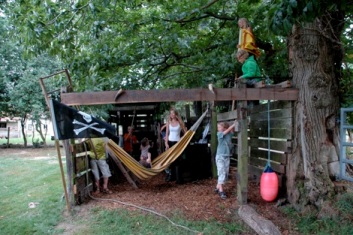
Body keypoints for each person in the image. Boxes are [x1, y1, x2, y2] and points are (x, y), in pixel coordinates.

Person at [164, 108, 187, 183]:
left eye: (173, 113)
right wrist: (166, 143)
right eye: (171, 113)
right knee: (171, 160)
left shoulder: (180, 122)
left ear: (176, 114)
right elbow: (167, 134)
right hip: (170, 142)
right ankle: (172, 177)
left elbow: (185, 132)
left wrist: (182, 139)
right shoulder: (168, 122)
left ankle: (178, 179)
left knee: (177, 160)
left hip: (177, 142)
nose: (172, 115)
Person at [214, 121, 236, 199]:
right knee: (222, 172)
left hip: (227, 156)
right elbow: (227, 131)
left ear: (224, 127)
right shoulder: (219, 134)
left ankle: (217, 187)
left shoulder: (229, 134)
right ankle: (221, 191)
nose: (218, 129)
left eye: (219, 127)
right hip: (220, 156)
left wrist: (233, 124)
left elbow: (231, 131)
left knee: (225, 173)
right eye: (218, 127)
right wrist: (232, 125)